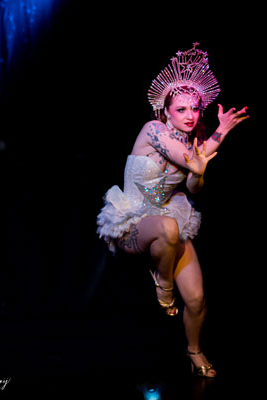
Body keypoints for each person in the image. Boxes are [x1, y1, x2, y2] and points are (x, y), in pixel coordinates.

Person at [96, 43, 249, 377]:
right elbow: (187, 160)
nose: (191, 115)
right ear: (165, 112)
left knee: (196, 299)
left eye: (195, 108)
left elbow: (195, 187)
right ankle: (162, 284)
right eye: (181, 109)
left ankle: (194, 350)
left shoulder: (195, 146)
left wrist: (201, 171)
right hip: (134, 224)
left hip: (170, 219)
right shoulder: (153, 131)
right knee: (167, 228)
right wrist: (219, 136)